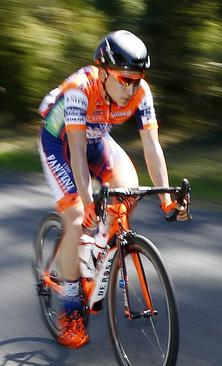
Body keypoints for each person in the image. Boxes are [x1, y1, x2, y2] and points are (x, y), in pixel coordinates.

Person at [37, 30, 188, 348]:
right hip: (60, 143)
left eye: (136, 79)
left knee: (128, 190)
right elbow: (76, 152)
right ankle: (71, 306)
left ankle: (94, 253)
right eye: (123, 79)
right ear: (104, 71)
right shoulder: (81, 90)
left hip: (95, 140)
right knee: (78, 218)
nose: (130, 87)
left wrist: (166, 199)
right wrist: (88, 201)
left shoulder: (140, 92)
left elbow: (152, 147)